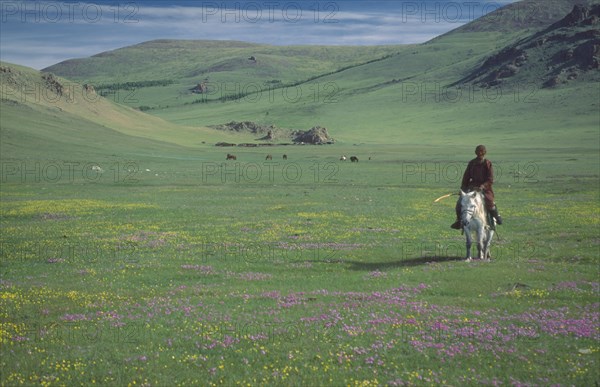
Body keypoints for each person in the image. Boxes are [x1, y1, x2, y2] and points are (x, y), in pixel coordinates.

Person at [451, 145, 503, 229]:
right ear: (475, 152)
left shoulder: (487, 163)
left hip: (485, 188)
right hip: (472, 187)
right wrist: (463, 189)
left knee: (489, 201)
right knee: (460, 202)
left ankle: (496, 217)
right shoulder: (472, 163)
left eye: (481, 151)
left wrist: (482, 187)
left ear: (484, 153)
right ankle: (459, 221)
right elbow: (466, 177)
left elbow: (490, 179)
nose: (479, 153)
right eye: (478, 151)